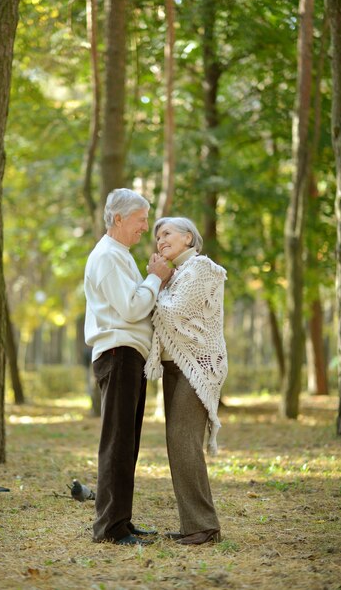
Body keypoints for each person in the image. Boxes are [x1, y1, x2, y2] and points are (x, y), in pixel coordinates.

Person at [84, 188, 172, 546]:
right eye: (140, 220)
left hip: (129, 355)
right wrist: (156, 278)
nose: (145, 228)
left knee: (127, 443)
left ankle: (120, 519)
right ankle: (110, 528)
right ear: (118, 219)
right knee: (118, 443)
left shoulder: (120, 254)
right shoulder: (107, 256)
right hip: (118, 353)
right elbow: (132, 308)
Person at [145, 216, 227, 546]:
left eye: (166, 234)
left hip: (199, 366)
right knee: (177, 443)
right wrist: (159, 281)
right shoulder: (175, 273)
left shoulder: (201, 268)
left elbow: (172, 312)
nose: (159, 240)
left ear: (188, 238)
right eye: (156, 236)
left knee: (183, 440)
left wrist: (154, 281)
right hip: (175, 365)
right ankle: (196, 524)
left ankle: (204, 527)